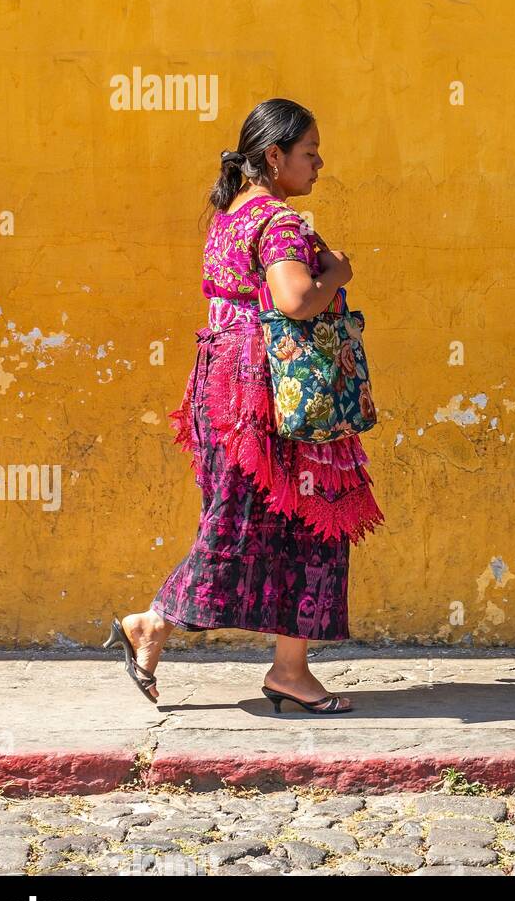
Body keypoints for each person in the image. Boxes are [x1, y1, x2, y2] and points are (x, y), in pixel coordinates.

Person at [104, 98, 383, 714]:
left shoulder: (228, 216)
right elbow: (296, 299)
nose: (319, 163)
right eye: (309, 153)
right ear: (274, 156)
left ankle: (289, 669)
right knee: (289, 523)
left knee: (268, 524)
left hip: (222, 385)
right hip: (276, 396)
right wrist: (339, 272)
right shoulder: (281, 222)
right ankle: (155, 623)